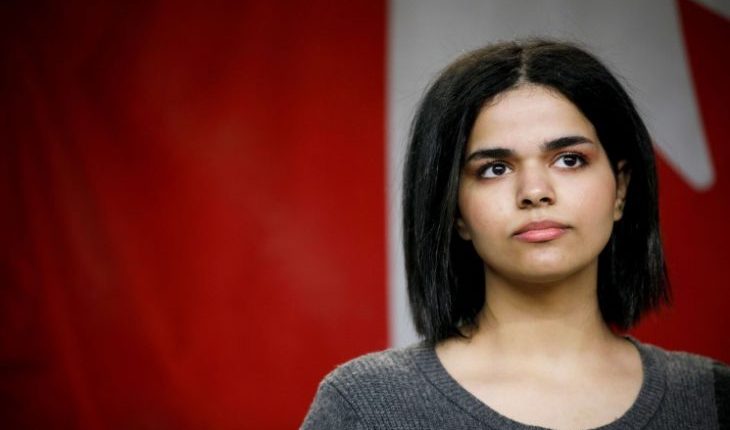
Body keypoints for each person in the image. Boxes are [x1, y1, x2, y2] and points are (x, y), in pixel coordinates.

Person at [301, 39, 729, 429]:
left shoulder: (712, 398)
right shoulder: (365, 407)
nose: (535, 192)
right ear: (455, 211)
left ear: (620, 188)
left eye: (569, 159)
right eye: (495, 169)